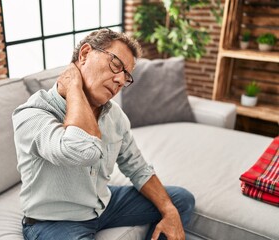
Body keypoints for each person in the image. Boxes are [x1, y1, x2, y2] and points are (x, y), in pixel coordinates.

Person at [12, 28, 195, 240]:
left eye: (126, 76)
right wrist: (74, 89)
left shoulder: (114, 115)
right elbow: (81, 151)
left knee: (180, 200)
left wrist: (169, 211)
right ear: (84, 54)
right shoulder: (31, 114)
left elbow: (138, 168)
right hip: (54, 221)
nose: (120, 80)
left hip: (102, 205)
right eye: (116, 65)